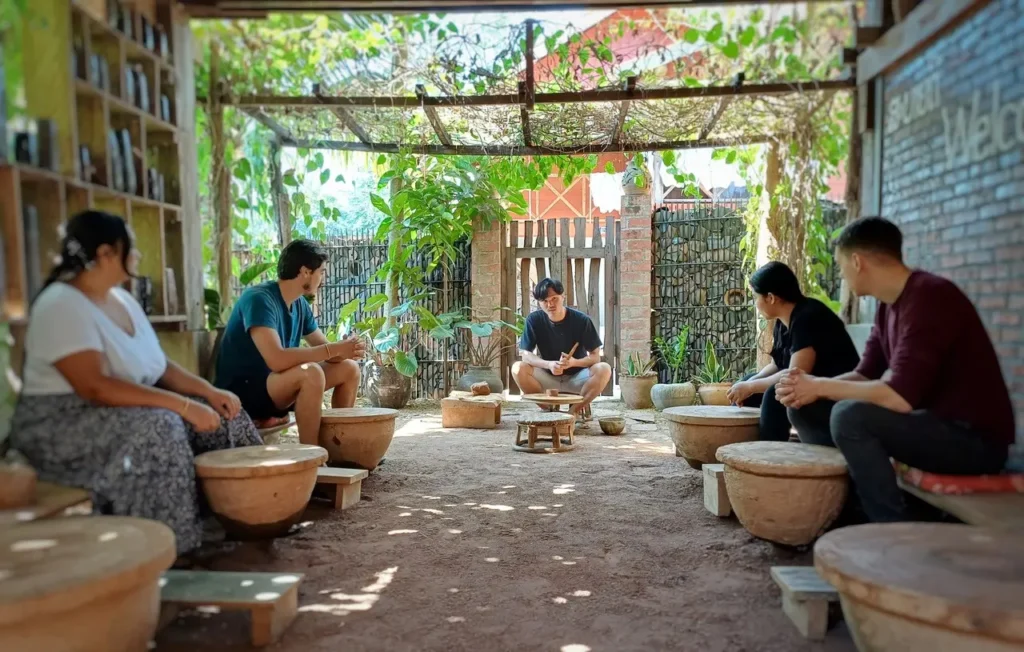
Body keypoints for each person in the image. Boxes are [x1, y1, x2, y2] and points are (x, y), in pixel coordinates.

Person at [10, 211, 261, 556]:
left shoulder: (122, 299)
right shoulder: (60, 304)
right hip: (62, 424)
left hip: (123, 409)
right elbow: (95, 387)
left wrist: (208, 392)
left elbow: (157, 365)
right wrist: (183, 406)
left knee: (227, 417)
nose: (138, 255)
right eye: (130, 247)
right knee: (161, 428)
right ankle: (168, 548)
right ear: (105, 254)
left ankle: (244, 517)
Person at [776, 216, 1014, 522]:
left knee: (850, 416)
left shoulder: (931, 296)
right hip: (925, 426)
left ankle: (889, 526)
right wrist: (806, 388)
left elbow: (898, 397)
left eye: (841, 266)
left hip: (972, 442)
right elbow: (864, 374)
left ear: (857, 261)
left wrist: (818, 385)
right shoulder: (887, 306)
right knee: (804, 408)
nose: (843, 276)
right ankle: (846, 504)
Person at [215, 239, 365, 445]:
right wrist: (333, 349)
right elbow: (276, 359)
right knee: (310, 373)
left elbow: (325, 350)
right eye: (321, 271)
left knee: (349, 368)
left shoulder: (300, 305)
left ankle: (338, 445)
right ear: (305, 272)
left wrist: (347, 349)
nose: (323, 278)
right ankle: (311, 455)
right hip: (245, 395)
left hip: (276, 387)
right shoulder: (259, 299)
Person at [727, 261, 860, 442]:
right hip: (809, 387)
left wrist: (751, 387)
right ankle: (743, 446)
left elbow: (794, 375)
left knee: (773, 394)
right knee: (747, 384)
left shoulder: (807, 317)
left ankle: (770, 454)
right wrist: (748, 384)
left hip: (835, 393)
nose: (755, 303)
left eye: (755, 297)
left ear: (771, 298)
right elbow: (777, 365)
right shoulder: (782, 321)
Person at [512, 278, 612, 417]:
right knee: (518, 368)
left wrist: (574, 362)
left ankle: (572, 412)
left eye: (554, 299)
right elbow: (526, 354)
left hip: (577, 377)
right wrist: (549, 364)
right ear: (539, 302)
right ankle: (549, 410)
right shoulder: (534, 320)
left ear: (563, 297)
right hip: (548, 377)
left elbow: (595, 356)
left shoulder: (582, 320)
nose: (550, 304)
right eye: (544, 301)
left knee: (604, 369)